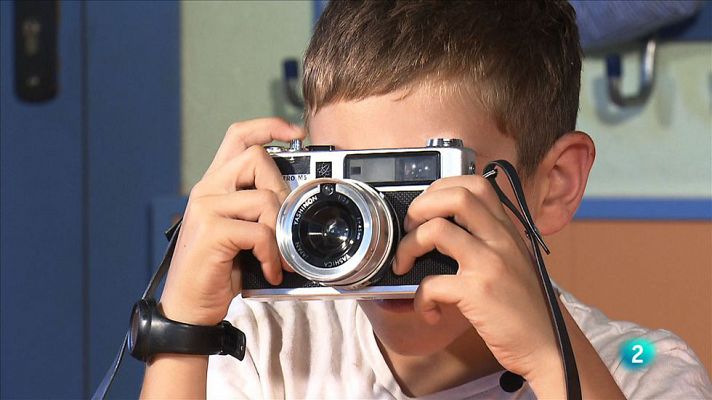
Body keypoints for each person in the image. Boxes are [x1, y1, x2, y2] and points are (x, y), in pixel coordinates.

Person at [140, 1, 711, 398]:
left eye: (422, 185)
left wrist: (549, 357)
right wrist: (183, 330)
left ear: (555, 183)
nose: (376, 235)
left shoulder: (641, 370)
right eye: (346, 191)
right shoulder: (265, 342)